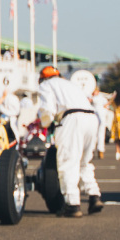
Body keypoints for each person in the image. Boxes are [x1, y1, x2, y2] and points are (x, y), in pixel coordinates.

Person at [37, 65, 102, 216]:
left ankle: (72, 204)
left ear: (43, 78)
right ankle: (94, 195)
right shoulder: (69, 84)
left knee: (68, 161)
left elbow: (48, 109)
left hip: (72, 119)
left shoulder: (46, 85)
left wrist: (45, 123)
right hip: (91, 118)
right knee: (84, 161)